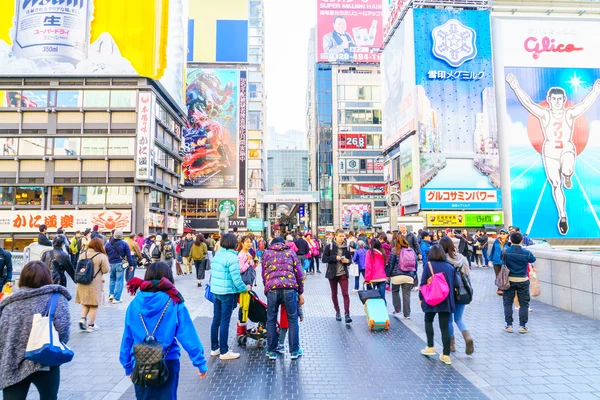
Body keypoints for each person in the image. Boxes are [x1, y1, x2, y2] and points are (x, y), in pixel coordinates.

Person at [506, 74, 600, 235]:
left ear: (564, 100)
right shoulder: (545, 114)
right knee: (556, 184)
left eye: (559, 99)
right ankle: (563, 216)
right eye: (554, 99)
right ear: (549, 99)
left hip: (566, 148)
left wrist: (596, 90)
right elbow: (528, 103)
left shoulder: (569, 113)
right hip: (549, 151)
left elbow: (585, 104)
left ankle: (568, 175)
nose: (557, 102)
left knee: (567, 170)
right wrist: (515, 86)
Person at [120, 262, 208, 398]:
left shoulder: (134, 304)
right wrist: (200, 362)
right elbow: (188, 335)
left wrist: (127, 365)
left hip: (140, 362)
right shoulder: (173, 302)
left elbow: (127, 337)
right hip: (167, 360)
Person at [0, 261, 71, 399]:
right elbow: (63, 331)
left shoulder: (9, 302)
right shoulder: (56, 298)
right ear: (47, 277)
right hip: (45, 358)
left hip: (12, 362)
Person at [262, 237, 305, 360]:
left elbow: (264, 274)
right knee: (292, 319)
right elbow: (299, 273)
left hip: (273, 289)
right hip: (289, 288)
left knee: (271, 319)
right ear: (283, 243)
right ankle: (294, 351)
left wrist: (267, 288)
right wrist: (300, 291)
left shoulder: (267, 253)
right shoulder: (290, 252)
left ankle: (271, 351)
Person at [210, 234, 250, 360]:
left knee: (216, 319)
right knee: (224, 321)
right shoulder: (232, 258)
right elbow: (236, 279)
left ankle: (214, 348)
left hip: (216, 291)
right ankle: (224, 351)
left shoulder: (217, 255)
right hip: (227, 293)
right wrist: (245, 288)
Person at [419, 245, 459, 365]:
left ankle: (430, 347)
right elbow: (456, 284)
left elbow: (422, 284)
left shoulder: (428, 265)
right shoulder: (450, 267)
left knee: (428, 320)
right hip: (446, 300)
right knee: (444, 327)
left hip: (431, 298)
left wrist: (421, 298)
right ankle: (446, 355)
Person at [439, 237, 474, 355]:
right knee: (458, 319)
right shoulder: (462, 258)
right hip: (461, 291)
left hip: (448, 293)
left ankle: (451, 345)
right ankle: (468, 337)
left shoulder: (443, 260)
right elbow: (468, 275)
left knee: (449, 320)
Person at [502, 232, 537, 334]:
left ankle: (509, 325)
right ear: (522, 240)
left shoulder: (505, 251)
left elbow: (502, 259)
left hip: (509, 280)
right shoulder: (526, 252)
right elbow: (533, 259)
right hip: (522, 280)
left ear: (510, 240)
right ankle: (522, 326)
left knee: (508, 303)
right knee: (524, 304)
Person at [76, 238, 110, 333]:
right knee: (94, 305)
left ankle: (82, 319)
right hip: (94, 284)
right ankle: (90, 326)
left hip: (82, 282)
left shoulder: (83, 254)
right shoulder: (101, 256)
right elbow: (106, 270)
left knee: (85, 302)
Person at [322, 229, 352, 324]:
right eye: (340, 236)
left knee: (345, 294)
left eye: (343, 236)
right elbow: (324, 259)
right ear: (335, 236)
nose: (342, 238)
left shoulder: (346, 247)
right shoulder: (329, 247)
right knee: (334, 293)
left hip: (343, 273)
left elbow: (350, 260)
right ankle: (337, 311)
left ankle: (347, 314)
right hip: (333, 274)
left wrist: (347, 261)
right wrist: (335, 258)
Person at [387, 236, 415, 318]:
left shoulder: (394, 250)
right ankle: (407, 314)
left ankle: (397, 310)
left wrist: (388, 275)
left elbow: (391, 264)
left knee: (395, 292)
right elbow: (415, 264)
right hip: (409, 275)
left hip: (397, 276)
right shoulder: (411, 250)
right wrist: (414, 274)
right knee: (406, 295)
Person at [105, 230, 134, 305]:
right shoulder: (124, 244)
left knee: (112, 279)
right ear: (121, 236)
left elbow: (106, 254)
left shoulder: (108, 244)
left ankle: (111, 294)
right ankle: (116, 298)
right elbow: (128, 255)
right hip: (119, 264)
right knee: (119, 281)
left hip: (111, 264)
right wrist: (131, 265)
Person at [364, 239, 388, 305]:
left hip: (372, 278)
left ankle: (373, 313)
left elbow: (368, 266)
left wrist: (367, 279)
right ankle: (383, 312)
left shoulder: (369, 252)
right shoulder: (382, 253)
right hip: (382, 277)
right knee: (382, 297)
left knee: (371, 298)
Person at [489, 229, 509, 295]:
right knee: (498, 276)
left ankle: (504, 288)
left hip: (505, 261)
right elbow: (492, 250)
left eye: (504, 234)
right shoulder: (496, 241)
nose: (502, 235)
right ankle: (500, 289)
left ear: (507, 234)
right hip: (496, 261)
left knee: (505, 275)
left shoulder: (509, 242)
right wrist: (490, 259)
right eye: (501, 233)